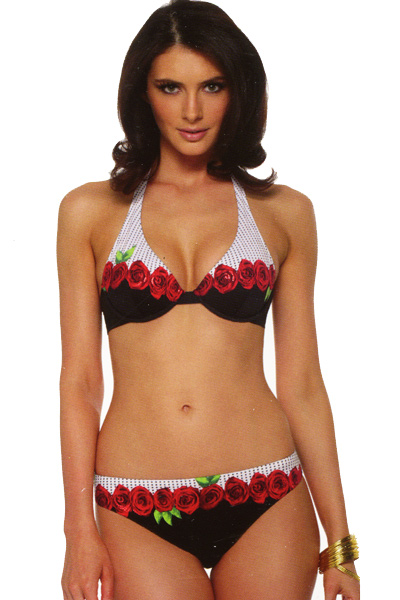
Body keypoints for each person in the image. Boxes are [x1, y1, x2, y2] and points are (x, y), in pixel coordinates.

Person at [57, 1, 360, 599]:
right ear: (142, 93)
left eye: (212, 86)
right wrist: (77, 532)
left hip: (270, 495)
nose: (191, 110)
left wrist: (342, 547)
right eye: (170, 87)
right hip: (135, 506)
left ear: (238, 90)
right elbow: (81, 383)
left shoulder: (285, 214)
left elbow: (302, 384)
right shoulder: (89, 213)